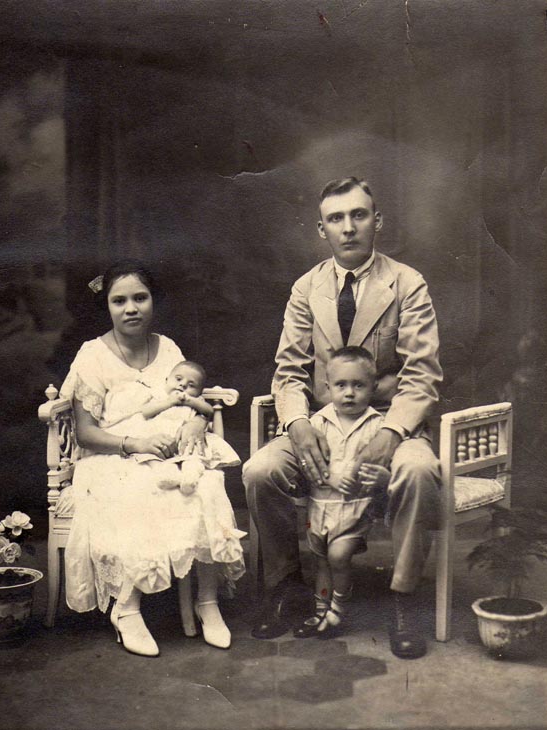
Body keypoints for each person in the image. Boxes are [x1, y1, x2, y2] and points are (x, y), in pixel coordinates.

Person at [243, 177, 442, 659]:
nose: (348, 227)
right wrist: (298, 425)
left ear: (377, 221)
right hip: (323, 424)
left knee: (419, 469)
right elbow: (289, 371)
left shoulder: (406, 283)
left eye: (358, 215)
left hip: (390, 423)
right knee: (260, 470)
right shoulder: (306, 288)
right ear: (321, 229)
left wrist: (392, 432)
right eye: (336, 218)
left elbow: (422, 374)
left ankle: (403, 599)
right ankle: (286, 586)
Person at [60, 260, 245, 657]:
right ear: (107, 306)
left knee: (208, 484)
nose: (131, 308)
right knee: (141, 489)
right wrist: (135, 444)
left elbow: (191, 398)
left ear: (153, 301)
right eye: (119, 301)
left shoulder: (168, 348)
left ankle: (207, 602)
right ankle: (127, 610)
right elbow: (86, 433)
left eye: (140, 298)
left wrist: (196, 421)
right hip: (111, 455)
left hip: (168, 451)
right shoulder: (92, 356)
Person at [294, 346, 390, 638]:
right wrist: (329, 476)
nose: (349, 393)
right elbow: (305, 463)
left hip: (354, 509)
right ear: (327, 387)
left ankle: (338, 608)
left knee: (338, 556)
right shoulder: (317, 423)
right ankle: (320, 608)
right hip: (320, 507)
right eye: (341, 385)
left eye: (358, 385)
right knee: (322, 562)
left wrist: (381, 477)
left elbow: (387, 465)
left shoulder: (378, 425)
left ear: (373, 387)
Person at [103, 359, 240, 494]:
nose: (183, 385)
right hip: (159, 435)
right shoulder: (159, 396)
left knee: (193, 455)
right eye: (178, 379)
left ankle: (191, 476)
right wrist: (170, 402)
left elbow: (209, 411)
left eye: (191, 385)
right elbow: (146, 412)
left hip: (183, 438)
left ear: (199, 392)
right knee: (149, 456)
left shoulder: (195, 400)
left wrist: (191, 401)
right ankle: (168, 473)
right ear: (167, 380)